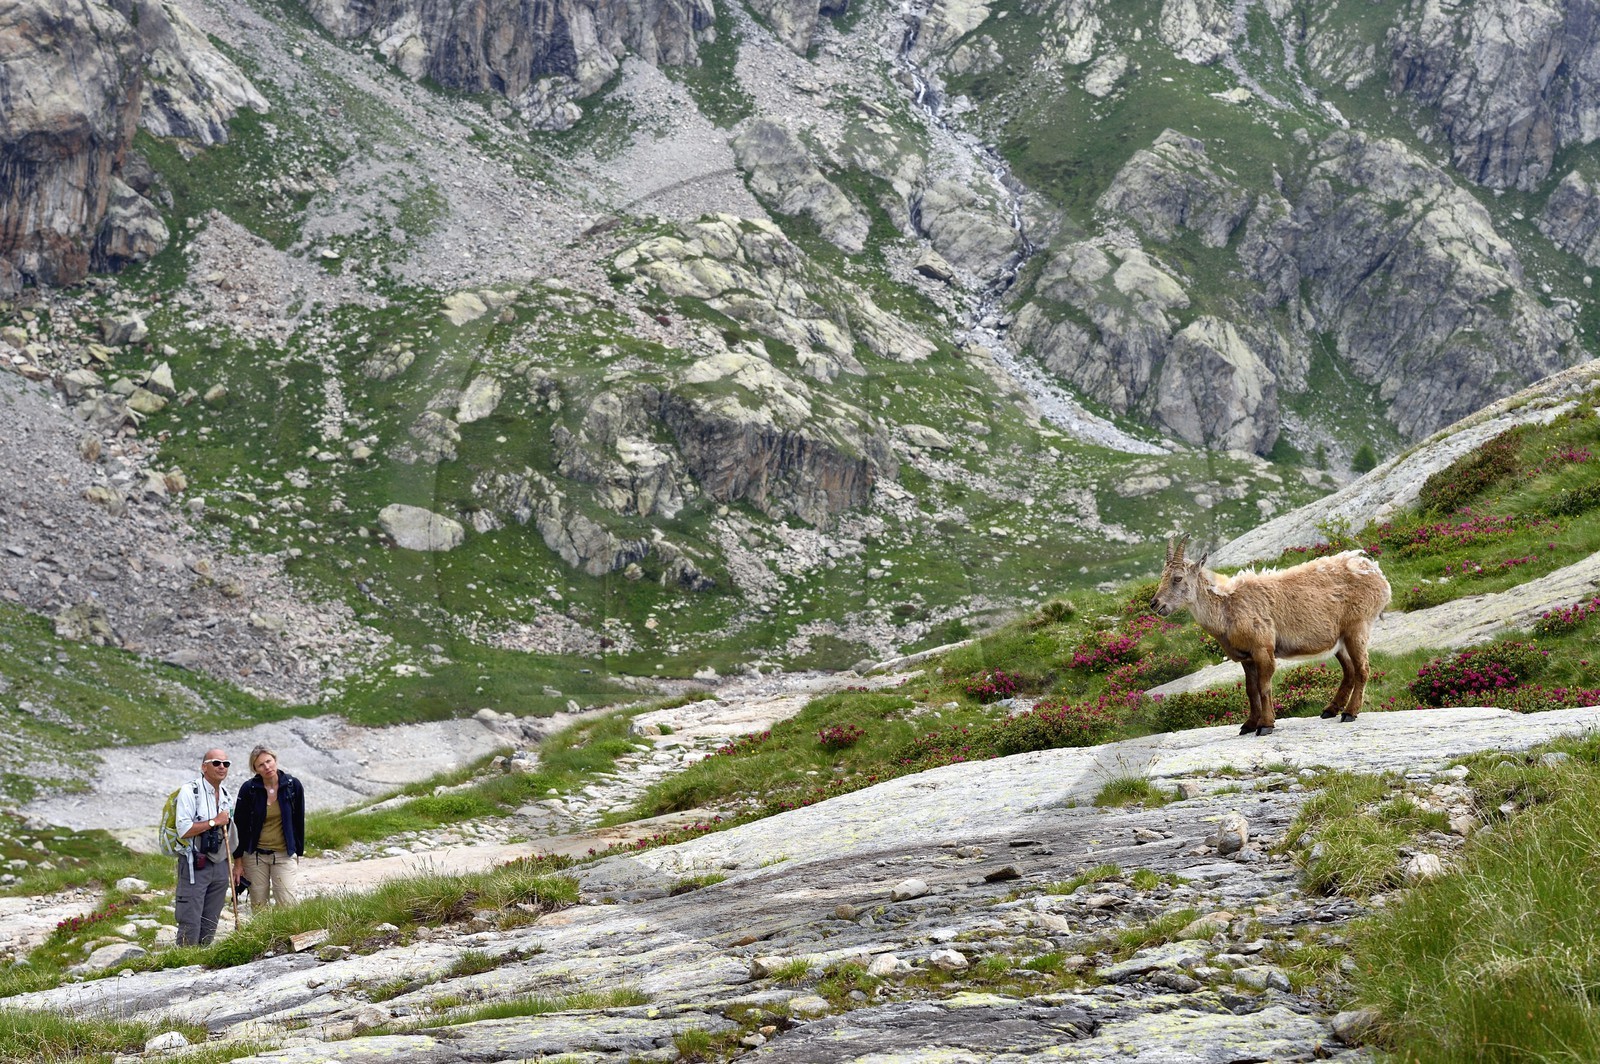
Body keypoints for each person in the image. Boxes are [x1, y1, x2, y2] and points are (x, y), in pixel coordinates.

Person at [174, 748, 237, 946]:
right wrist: (214, 822)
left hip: (219, 863)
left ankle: (201, 960)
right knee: (190, 917)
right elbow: (183, 829)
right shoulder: (189, 791)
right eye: (216, 763)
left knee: (211, 918)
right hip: (195, 862)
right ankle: (184, 962)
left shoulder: (225, 794)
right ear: (204, 767)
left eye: (226, 764)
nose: (222, 767)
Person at [231, 744, 305, 909]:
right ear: (255, 769)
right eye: (261, 765)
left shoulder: (293, 786)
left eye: (269, 761)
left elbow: (299, 821)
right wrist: (238, 862)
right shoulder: (248, 789)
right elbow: (239, 826)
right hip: (255, 856)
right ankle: (263, 935)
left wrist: (297, 852)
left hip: (284, 854)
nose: (267, 767)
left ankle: (288, 935)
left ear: (275, 760)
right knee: (258, 905)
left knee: (288, 904)